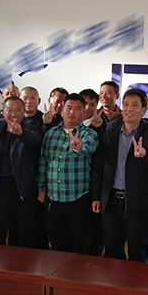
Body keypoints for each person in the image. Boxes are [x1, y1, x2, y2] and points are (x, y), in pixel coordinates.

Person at [92, 89, 148, 262]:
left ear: (144, 109)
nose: (129, 109)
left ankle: (135, 279)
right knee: (112, 246)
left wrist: (144, 155)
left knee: (137, 248)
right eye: (125, 104)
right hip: (111, 199)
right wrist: (97, 196)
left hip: (138, 201)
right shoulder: (110, 130)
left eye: (135, 105)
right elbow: (99, 166)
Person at [38, 94, 99, 254]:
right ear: (62, 110)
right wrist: (42, 189)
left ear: (83, 112)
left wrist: (78, 147)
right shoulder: (51, 133)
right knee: (57, 244)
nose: (72, 112)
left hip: (78, 198)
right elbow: (43, 162)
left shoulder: (89, 134)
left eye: (77, 108)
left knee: (79, 244)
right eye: (69, 108)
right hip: (53, 198)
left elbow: (89, 147)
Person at [0, 96, 42, 248]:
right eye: (10, 110)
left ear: (23, 111)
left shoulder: (31, 130)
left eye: (18, 110)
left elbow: (35, 142)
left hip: (22, 190)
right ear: (3, 112)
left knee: (22, 234)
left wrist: (21, 133)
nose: (14, 114)